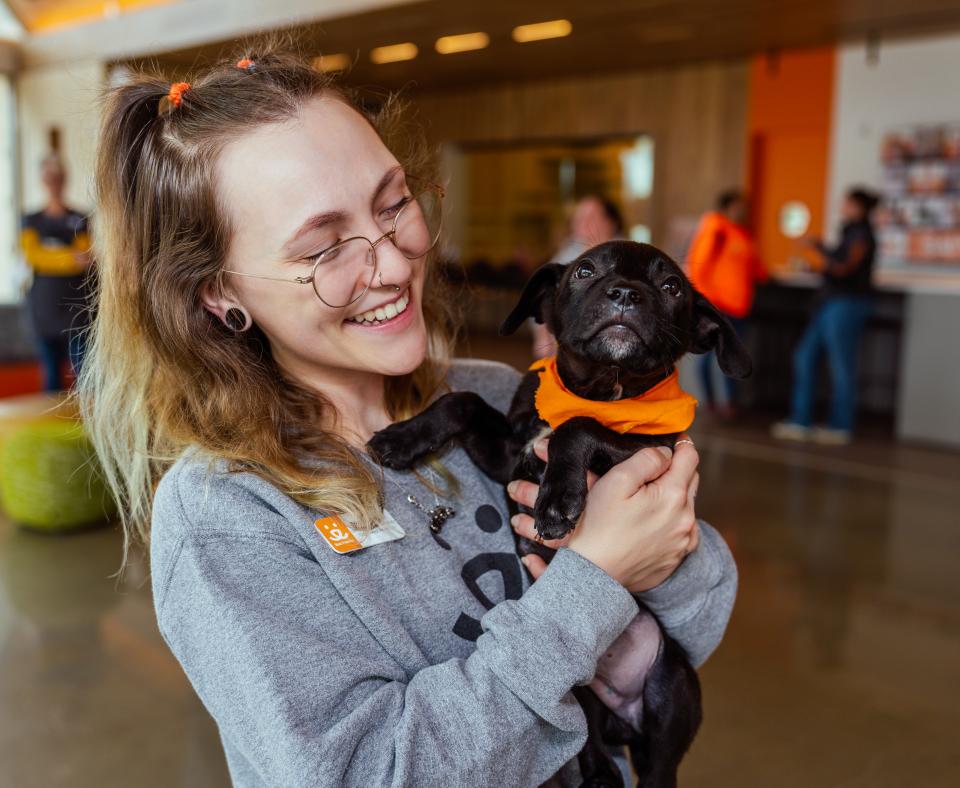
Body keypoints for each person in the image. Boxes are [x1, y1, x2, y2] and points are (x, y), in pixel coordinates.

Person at [79, 51, 737, 788]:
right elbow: (368, 772)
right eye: (325, 246)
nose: (391, 265)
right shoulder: (228, 517)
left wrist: (665, 550)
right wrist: (594, 580)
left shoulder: (496, 396)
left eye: (393, 205)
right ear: (216, 293)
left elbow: (697, 626)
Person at [773, 188, 880, 445]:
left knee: (841, 365)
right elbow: (838, 266)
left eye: (847, 202)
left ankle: (840, 426)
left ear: (858, 206)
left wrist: (818, 248)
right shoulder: (850, 232)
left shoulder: (862, 233)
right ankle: (801, 420)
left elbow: (844, 268)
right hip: (830, 303)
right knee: (805, 356)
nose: (842, 205)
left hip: (847, 304)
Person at [686, 189, 766, 418]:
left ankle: (728, 403)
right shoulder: (716, 229)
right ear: (727, 207)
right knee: (708, 357)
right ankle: (711, 403)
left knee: (732, 357)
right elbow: (698, 266)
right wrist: (706, 302)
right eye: (739, 206)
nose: (744, 210)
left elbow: (757, 271)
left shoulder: (743, 234)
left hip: (739, 308)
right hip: (719, 306)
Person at [20, 154, 93, 390]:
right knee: (51, 377)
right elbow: (34, 257)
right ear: (42, 180)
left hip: (77, 305)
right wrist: (69, 258)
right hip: (45, 307)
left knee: (84, 374)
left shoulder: (80, 218)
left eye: (58, 176)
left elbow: (86, 256)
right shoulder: (31, 221)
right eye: (49, 177)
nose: (54, 182)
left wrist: (54, 257)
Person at [532, 195, 625, 358]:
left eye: (590, 217)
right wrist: (542, 334)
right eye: (578, 218)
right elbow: (543, 293)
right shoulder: (571, 250)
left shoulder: (624, 254)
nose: (581, 223)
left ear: (610, 222)